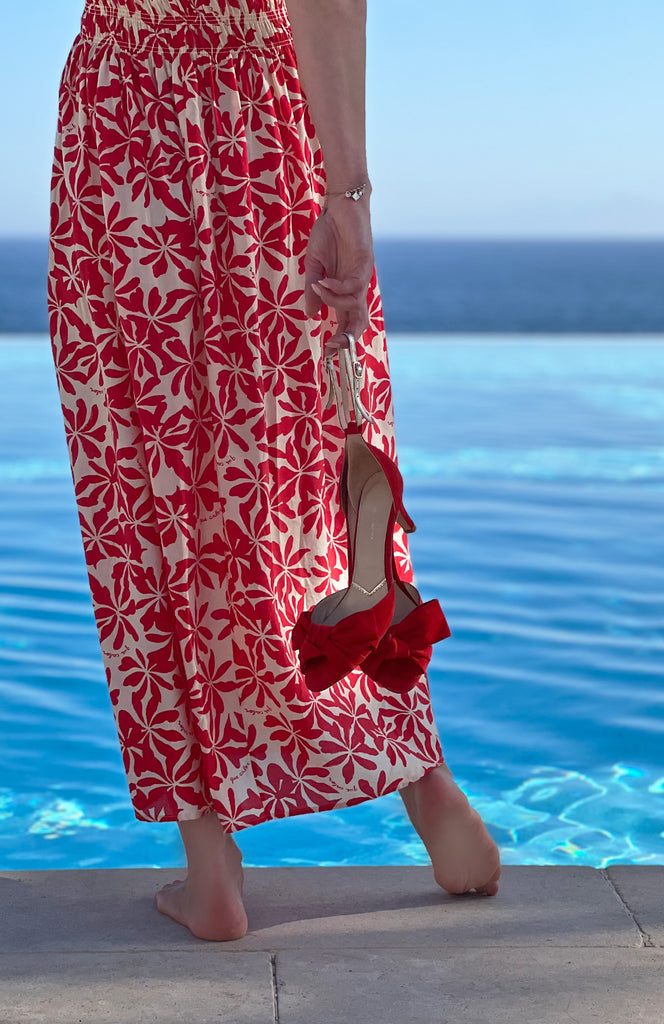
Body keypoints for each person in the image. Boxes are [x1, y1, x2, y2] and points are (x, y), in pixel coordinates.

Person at [47, 0, 501, 942]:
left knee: (147, 477)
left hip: (119, 121)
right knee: (315, 464)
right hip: (257, 116)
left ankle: (210, 863)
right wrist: (348, 197)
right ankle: (426, 787)